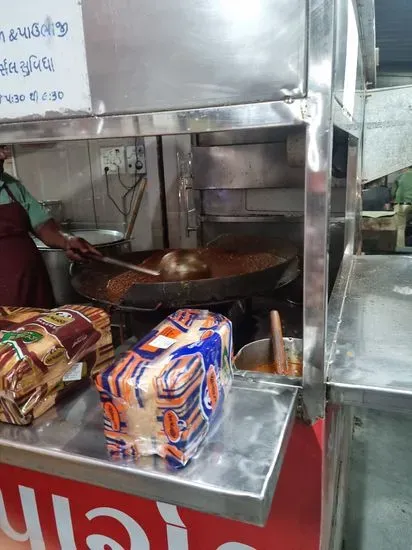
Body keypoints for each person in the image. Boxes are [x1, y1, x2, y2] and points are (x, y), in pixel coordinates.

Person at [0, 145, 100, 308]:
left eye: (3, 147)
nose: (3, 155)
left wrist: (67, 240)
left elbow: (42, 224)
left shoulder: (11, 185)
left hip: (32, 286)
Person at [392, 167, 412, 248]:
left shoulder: (400, 177)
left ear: (405, 168)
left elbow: (393, 193)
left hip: (402, 204)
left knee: (400, 228)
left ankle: (400, 248)